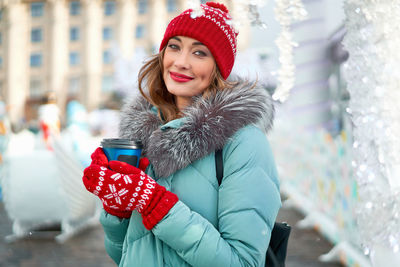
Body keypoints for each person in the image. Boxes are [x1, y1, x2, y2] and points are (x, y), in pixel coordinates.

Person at [82, 2, 281, 266]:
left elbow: (243, 262)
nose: (181, 62)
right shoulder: (142, 137)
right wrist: (116, 208)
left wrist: (157, 205)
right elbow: (125, 255)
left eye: (199, 53)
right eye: (174, 46)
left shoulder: (243, 143)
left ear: (218, 68)